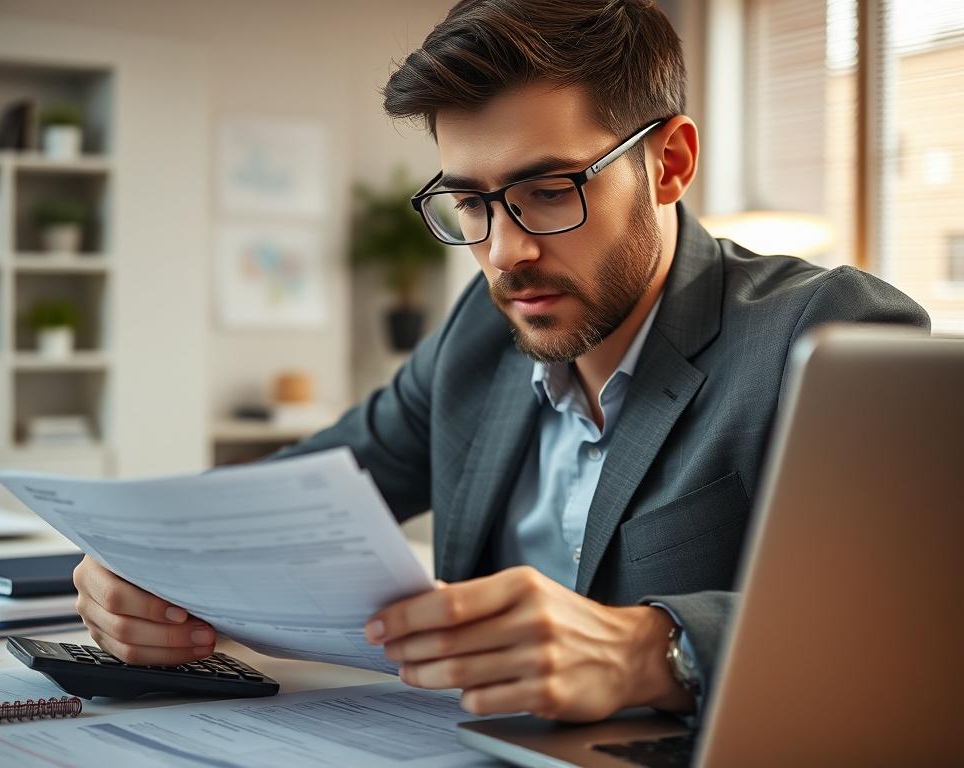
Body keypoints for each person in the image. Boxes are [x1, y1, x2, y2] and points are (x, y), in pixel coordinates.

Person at [73, 0, 929, 724]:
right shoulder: (478, 338)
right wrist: (145, 561)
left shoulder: (825, 332)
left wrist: (654, 650)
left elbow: (917, 621)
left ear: (669, 164)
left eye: (550, 191)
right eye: (471, 202)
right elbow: (303, 490)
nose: (504, 251)